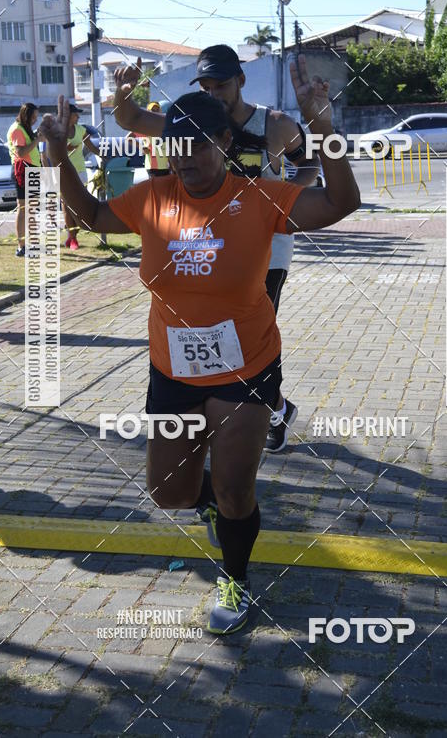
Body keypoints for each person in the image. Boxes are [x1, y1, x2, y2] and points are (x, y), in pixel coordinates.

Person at [37, 57, 360, 634]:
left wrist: (325, 128)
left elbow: (341, 203)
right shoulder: (153, 196)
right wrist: (59, 155)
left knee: (237, 489)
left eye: (201, 147)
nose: (187, 160)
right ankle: (213, 503)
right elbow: (85, 214)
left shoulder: (259, 198)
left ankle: (236, 576)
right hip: (173, 372)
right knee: (168, 492)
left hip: (247, 369)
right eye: (177, 148)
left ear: (226, 141)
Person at [113, 45, 320, 455]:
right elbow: (131, 119)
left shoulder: (273, 124)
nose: (213, 94)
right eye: (205, 86)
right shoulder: (191, 121)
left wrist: (280, 199)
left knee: (246, 339)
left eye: (220, 85)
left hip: (263, 250)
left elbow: (310, 162)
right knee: (218, 340)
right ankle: (271, 409)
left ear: (241, 81)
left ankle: (256, 413)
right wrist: (123, 94)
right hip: (205, 248)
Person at [62, 103, 101, 249]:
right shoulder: (59, 132)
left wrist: (105, 155)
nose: (78, 116)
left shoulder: (81, 130)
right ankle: (72, 238)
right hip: (64, 172)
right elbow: (51, 151)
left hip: (80, 171)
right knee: (66, 206)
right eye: (75, 114)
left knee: (78, 205)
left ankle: (72, 237)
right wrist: (65, 149)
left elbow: (91, 147)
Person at [6, 103, 40, 257]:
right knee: (23, 208)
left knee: (32, 209)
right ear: (25, 115)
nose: (34, 120)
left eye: (36, 117)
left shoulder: (25, 129)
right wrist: (37, 140)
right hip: (23, 170)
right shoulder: (17, 130)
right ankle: (21, 246)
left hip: (32, 170)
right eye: (33, 117)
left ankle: (32, 243)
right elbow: (21, 152)